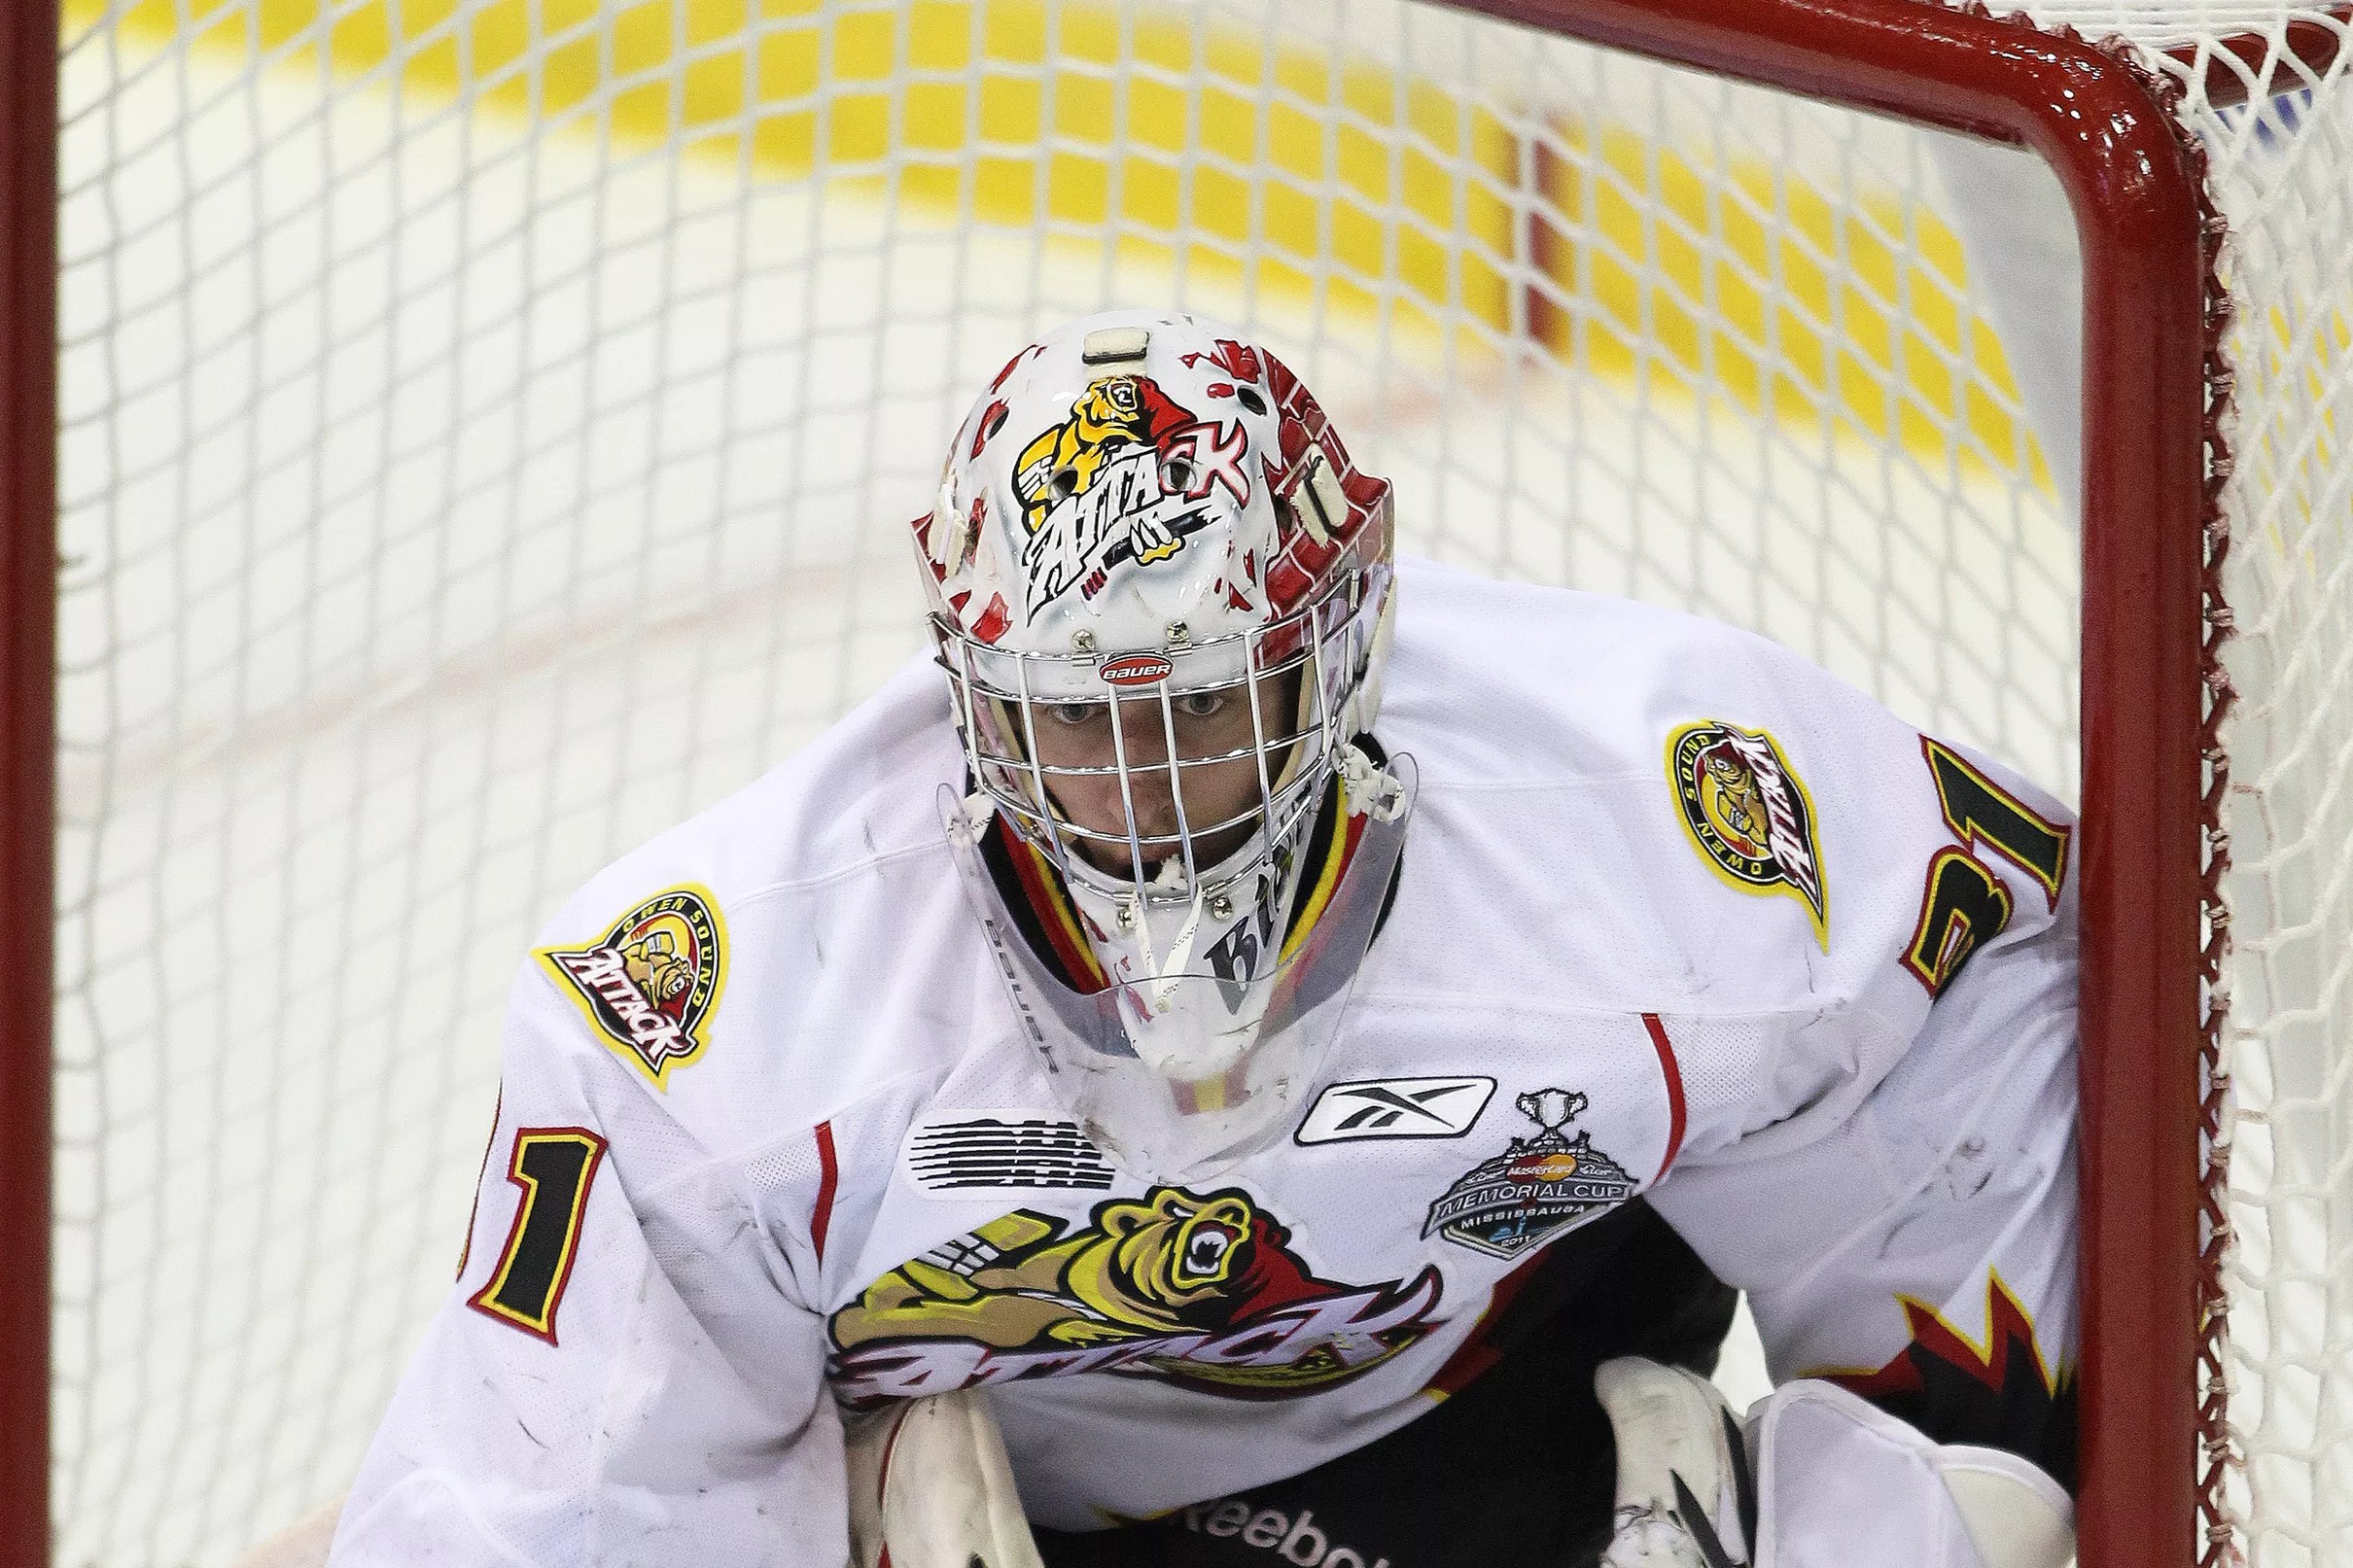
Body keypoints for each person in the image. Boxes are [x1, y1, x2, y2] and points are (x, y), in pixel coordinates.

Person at [327, 310, 2081, 1568]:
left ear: (1347, 639)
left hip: (1502, 1433)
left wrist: (1958, 1472)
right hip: (1008, 1482)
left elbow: (1970, 1115)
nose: (1147, 795)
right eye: (1078, 725)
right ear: (971, 697)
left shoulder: (1675, 823)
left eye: (1213, 709)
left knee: (1999, 1522)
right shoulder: (717, 1020)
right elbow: (551, 1511)